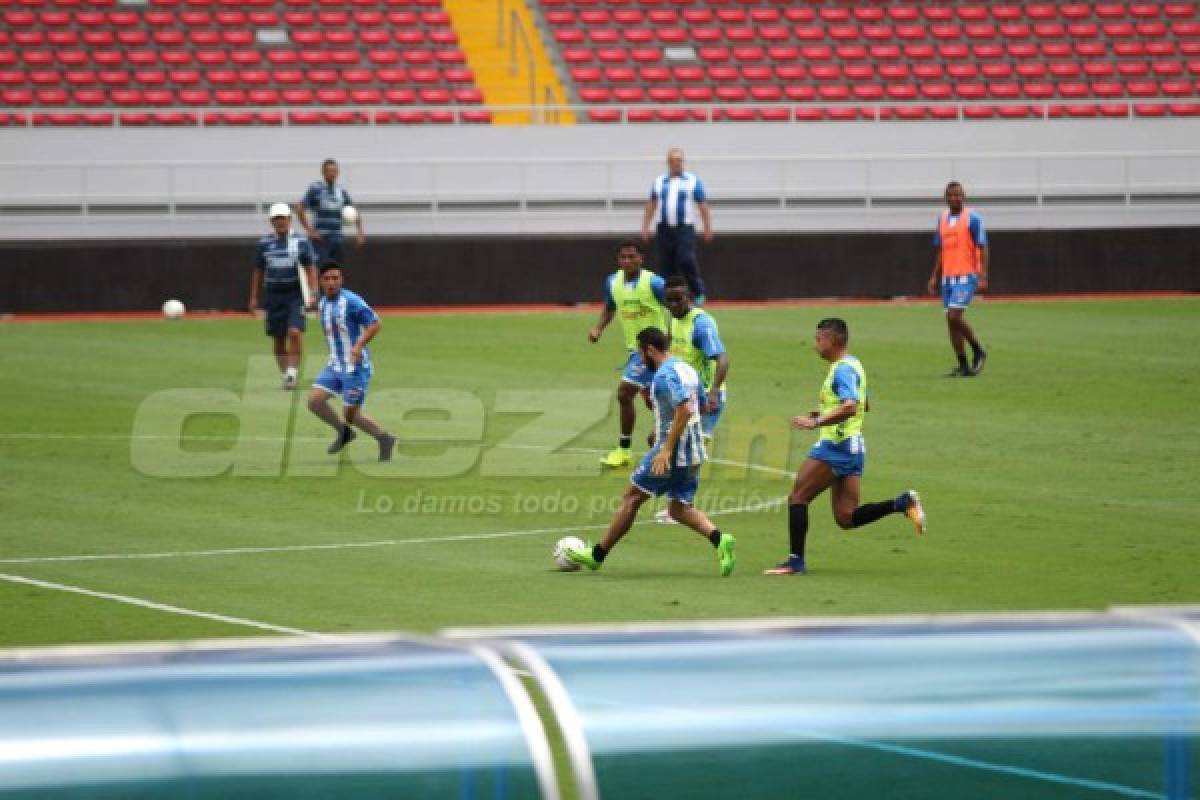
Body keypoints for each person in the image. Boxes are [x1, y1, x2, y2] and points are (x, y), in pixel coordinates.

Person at [565, 327, 736, 576]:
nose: (639, 359)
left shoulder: (665, 376)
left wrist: (665, 448)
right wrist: (661, 426)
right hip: (695, 452)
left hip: (674, 453)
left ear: (650, 350)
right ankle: (720, 539)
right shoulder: (688, 368)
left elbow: (686, 410)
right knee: (678, 508)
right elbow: (700, 406)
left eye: (640, 353)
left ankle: (596, 555)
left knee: (631, 499)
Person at [765, 318, 926, 576]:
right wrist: (828, 410)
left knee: (798, 497)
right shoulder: (854, 365)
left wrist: (817, 420)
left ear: (834, 340)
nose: (815, 345)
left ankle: (795, 562)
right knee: (846, 517)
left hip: (836, 446)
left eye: (819, 339)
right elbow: (864, 404)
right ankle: (901, 503)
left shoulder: (842, 370)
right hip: (853, 446)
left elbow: (851, 406)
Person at [587, 240, 669, 468]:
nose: (627, 261)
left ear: (641, 259)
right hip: (637, 350)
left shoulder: (653, 282)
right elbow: (610, 307)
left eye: (632, 257)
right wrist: (598, 328)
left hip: (656, 351)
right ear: (618, 260)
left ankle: (625, 450)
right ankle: (671, 438)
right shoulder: (612, 282)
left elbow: (677, 308)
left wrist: (670, 341)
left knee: (625, 393)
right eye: (623, 257)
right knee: (653, 401)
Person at [656, 275, 730, 524]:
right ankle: (678, 506)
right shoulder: (675, 320)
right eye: (670, 300)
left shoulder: (701, 324)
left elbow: (722, 358)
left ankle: (682, 506)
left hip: (705, 399)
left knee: (690, 452)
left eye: (679, 299)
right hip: (685, 396)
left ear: (690, 298)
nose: (674, 305)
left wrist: (713, 392)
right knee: (680, 448)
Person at [307, 261, 396, 462]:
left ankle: (384, 438)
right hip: (334, 365)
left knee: (351, 415)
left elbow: (375, 323)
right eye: (327, 279)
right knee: (314, 402)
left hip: (355, 367)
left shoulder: (351, 301)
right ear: (320, 281)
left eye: (335, 278)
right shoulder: (322, 303)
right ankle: (344, 432)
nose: (331, 282)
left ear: (341, 279)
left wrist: (358, 346)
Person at [248, 202, 316, 390]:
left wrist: (313, 292)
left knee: (294, 332)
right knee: (278, 339)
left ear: (289, 219)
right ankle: (286, 375)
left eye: (283, 218)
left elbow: (311, 268)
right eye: (276, 219)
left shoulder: (301, 242)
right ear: (272, 221)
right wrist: (253, 298)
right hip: (273, 295)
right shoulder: (264, 244)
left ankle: (293, 372)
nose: (280, 222)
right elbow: (258, 271)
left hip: (295, 294)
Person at [927, 181, 989, 377]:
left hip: (966, 275)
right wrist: (935, 276)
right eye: (951, 195)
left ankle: (978, 349)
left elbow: (984, 247)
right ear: (945, 198)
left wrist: (983, 275)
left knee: (955, 316)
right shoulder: (942, 218)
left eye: (958, 195)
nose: (955, 198)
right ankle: (962, 364)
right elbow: (941, 251)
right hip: (948, 278)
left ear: (964, 196)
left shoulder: (973, 218)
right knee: (950, 321)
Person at [641, 147, 713, 304]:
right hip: (664, 229)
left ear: (683, 162)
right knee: (665, 263)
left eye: (679, 160)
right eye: (673, 161)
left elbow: (703, 205)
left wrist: (707, 227)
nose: (676, 164)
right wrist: (645, 226)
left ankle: (697, 291)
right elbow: (652, 204)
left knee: (686, 259)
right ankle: (668, 296)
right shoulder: (659, 182)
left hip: (684, 229)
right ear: (668, 163)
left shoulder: (692, 181)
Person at [294, 158, 365, 265]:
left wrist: (360, 232)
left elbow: (354, 211)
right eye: (329, 171)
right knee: (321, 270)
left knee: (336, 271)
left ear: (338, 173)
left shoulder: (341, 191)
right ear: (323, 172)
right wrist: (310, 230)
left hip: (337, 239)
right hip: (320, 240)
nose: (332, 173)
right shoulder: (316, 188)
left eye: (334, 171)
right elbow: (300, 208)